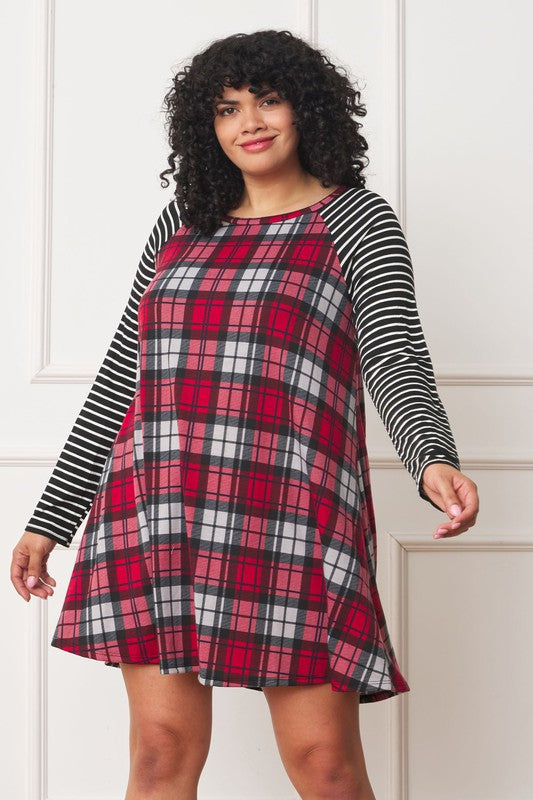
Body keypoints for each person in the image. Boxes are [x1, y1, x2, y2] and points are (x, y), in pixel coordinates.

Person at [11, 29, 479, 800]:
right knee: (158, 755)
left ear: (306, 110)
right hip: (155, 513)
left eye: (267, 99)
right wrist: (49, 518)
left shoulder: (354, 221)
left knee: (324, 767)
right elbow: (123, 376)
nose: (248, 122)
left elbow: (394, 357)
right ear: (207, 126)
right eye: (226, 108)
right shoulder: (182, 224)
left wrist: (432, 458)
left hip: (289, 518)